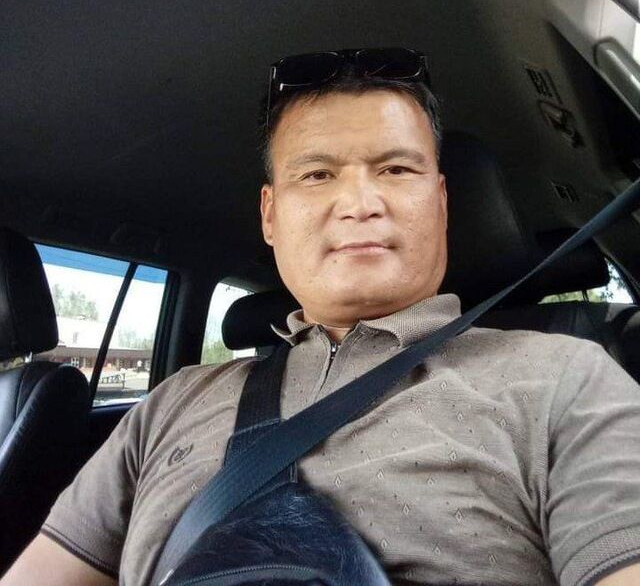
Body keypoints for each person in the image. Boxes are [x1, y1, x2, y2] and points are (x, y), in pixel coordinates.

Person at [3, 49, 640, 586]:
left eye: (396, 168)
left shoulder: (565, 381)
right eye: (316, 175)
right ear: (270, 215)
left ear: (442, 202)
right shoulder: (168, 406)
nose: (359, 202)